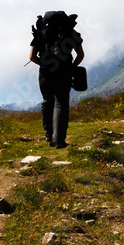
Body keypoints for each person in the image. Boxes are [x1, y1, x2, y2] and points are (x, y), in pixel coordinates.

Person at [29, 11, 84, 148]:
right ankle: (60, 140)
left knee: (47, 101)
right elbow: (80, 55)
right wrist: (72, 67)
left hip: (45, 73)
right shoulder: (70, 32)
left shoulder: (41, 32)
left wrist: (44, 65)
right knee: (61, 103)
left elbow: (32, 57)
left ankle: (49, 138)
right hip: (64, 72)